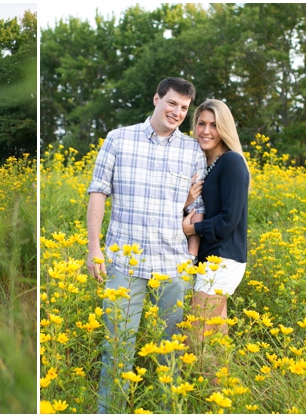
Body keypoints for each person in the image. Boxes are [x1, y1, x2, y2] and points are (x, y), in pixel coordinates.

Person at [85, 77, 207, 413]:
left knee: (170, 356)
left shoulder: (192, 150)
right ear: (156, 99)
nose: (177, 112)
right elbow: (98, 192)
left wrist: (191, 256)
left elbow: (197, 211)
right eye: (172, 103)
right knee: (117, 350)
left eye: (184, 108)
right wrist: (94, 247)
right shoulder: (118, 139)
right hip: (124, 266)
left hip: (172, 268)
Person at [181, 99, 249, 344]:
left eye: (214, 125)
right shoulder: (208, 164)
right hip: (211, 259)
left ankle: (188, 383)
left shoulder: (231, 161)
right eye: (201, 124)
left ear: (225, 128)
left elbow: (228, 220)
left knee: (193, 337)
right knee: (215, 343)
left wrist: (192, 228)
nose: (206, 131)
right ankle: (223, 383)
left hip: (222, 260)